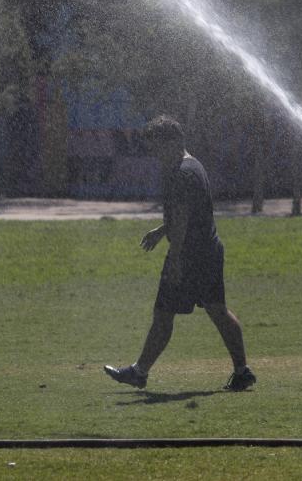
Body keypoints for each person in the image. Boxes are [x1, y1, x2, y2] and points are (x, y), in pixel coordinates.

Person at [104, 116, 256, 392]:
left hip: (189, 256)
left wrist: (174, 259)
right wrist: (162, 230)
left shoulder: (182, 173)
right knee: (218, 312)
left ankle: (139, 372)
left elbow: (184, 218)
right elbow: (191, 212)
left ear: (173, 142)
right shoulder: (193, 165)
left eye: (158, 148)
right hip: (207, 251)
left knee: (163, 314)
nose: (155, 155)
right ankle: (242, 371)